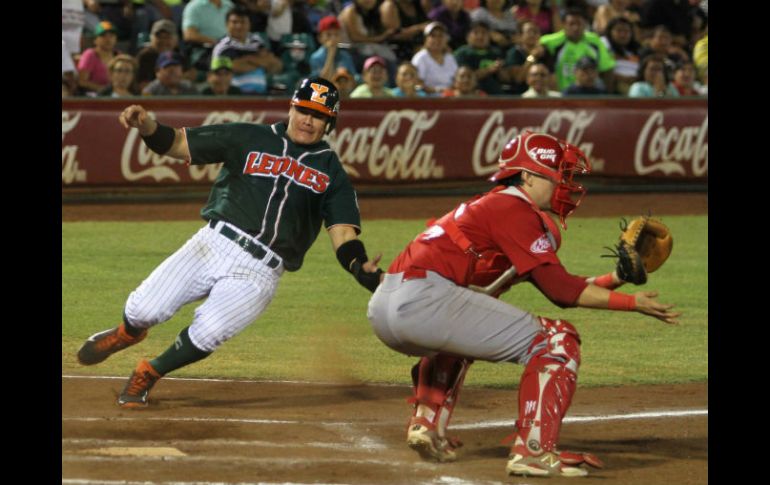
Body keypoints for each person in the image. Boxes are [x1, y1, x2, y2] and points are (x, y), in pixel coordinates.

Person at [366, 130, 680, 477]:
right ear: (528, 176)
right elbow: (562, 291)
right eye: (557, 175)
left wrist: (617, 277)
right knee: (556, 341)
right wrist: (632, 303)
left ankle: (427, 424)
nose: (563, 184)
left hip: (391, 303)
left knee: (457, 340)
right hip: (423, 301)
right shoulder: (513, 208)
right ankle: (534, 451)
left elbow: (562, 282)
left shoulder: (492, 210)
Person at [76, 77, 383, 409]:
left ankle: (150, 372)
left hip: (261, 271)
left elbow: (343, 234)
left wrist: (359, 267)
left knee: (210, 332)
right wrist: (147, 126)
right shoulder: (249, 136)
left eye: (319, 116)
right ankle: (127, 332)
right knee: (143, 310)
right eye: (304, 110)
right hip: (213, 244)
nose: (308, 121)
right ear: (291, 108)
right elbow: (178, 144)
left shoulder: (332, 172)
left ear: (330, 123)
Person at [539, 8, 616, 92]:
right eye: (571, 24)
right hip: (561, 95)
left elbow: (607, 68)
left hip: (590, 95)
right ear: (563, 25)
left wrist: (607, 94)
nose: (575, 27)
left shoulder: (595, 41)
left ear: (585, 25)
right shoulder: (549, 42)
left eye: (579, 24)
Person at [212, 6, 284, 94]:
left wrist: (247, 59)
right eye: (234, 22)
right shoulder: (222, 47)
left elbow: (276, 65)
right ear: (227, 24)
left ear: (249, 24)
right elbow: (234, 67)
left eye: (243, 22)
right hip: (235, 94)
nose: (239, 26)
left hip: (262, 94)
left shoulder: (257, 41)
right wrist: (261, 62)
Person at [453, 20, 509, 95]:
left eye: (484, 33)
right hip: (472, 95)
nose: (480, 36)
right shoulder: (462, 53)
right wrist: (489, 70)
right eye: (476, 33)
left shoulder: (496, 52)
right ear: (468, 36)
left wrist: (500, 70)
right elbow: (465, 78)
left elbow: (506, 79)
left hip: (496, 94)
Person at [411, 21, 458, 94]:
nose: (437, 39)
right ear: (425, 39)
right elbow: (417, 84)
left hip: (451, 96)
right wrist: (439, 91)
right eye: (433, 36)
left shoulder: (450, 57)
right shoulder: (420, 58)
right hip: (427, 98)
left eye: (441, 36)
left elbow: (456, 80)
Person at [77, 20, 121, 95]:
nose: (108, 39)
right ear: (95, 40)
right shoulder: (90, 55)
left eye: (111, 36)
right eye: (103, 36)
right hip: (94, 96)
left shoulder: (118, 55)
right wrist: (104, 90)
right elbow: (82, 81)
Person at [311, 15, 360, 82]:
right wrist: (331, 55)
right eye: (328, 35)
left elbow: (354, 78)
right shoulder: (316, 58)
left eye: (336, 34)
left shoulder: (345, 56)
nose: (333, 39)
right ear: (320, 38)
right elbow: (321, 82)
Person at [600, 16, 640, 95]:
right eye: (619, 31)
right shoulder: (604, 44)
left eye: (626, 31)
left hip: (636, 84)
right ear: (610, 32)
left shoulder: (636, 50)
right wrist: (622, 78)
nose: (623, 35)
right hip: (615, 83)